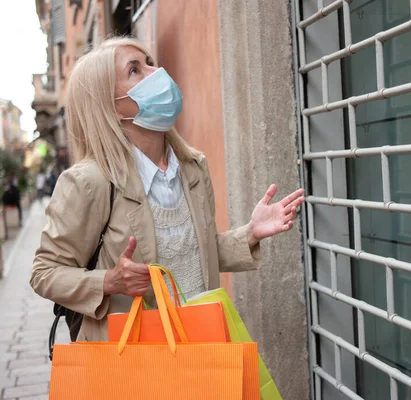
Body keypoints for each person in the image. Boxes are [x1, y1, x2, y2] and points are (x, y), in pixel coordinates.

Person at [30, 37, 304, 343]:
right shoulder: (89, 182)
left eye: (149, 62)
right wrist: (109, 280)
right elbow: (45, 272)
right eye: (135, 70)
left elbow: (193, 254)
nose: (155, 71)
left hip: (201, 341)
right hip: (136, 360)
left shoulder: (192, 167)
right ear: (110, 106)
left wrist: (251, 233)